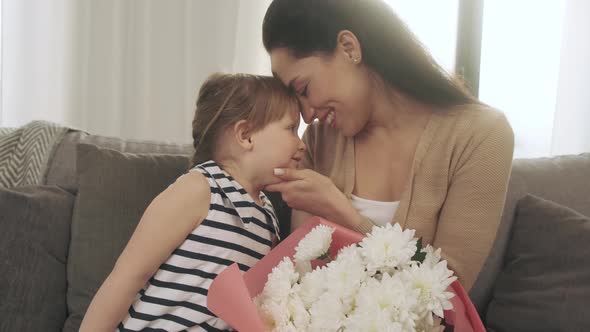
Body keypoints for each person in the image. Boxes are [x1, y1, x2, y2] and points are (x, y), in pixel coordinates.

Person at [262, 0, 514, 291]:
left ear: (348, 48)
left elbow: (448, 292)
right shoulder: (319, 142)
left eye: (303, 89)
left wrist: (345, 215)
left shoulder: (480, 135)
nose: (307, 115)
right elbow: (301, 281)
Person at [80, 73, 306, 331]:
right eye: (291, 129)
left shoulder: (268, 218)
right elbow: (128, 276)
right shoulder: (200, 188)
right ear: (246, 135)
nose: (302, 145)